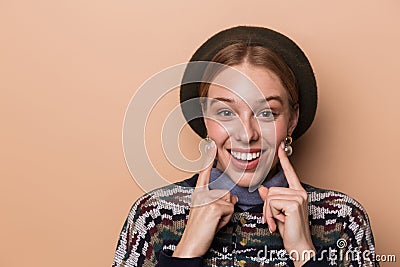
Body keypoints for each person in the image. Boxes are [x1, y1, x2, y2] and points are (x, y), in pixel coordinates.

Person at [112, 26, 378, 266]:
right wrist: (187, 251)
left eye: (267, 113)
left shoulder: (343, 219)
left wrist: (303, 253)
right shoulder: (153, 215)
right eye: (226, 113)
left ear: (292, 120)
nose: (247, 134)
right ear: (204, 118)